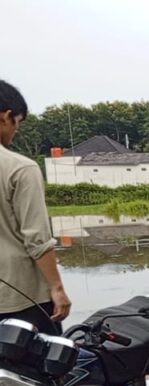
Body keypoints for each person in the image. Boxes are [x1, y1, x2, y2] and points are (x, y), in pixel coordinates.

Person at [0, 80, 71, 335]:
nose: (15, 130)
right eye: (17, 122)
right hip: (22, 297)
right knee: (41, 371)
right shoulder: (20, 168)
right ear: (6, 117)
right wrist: (57, 288)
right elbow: (37, 238)